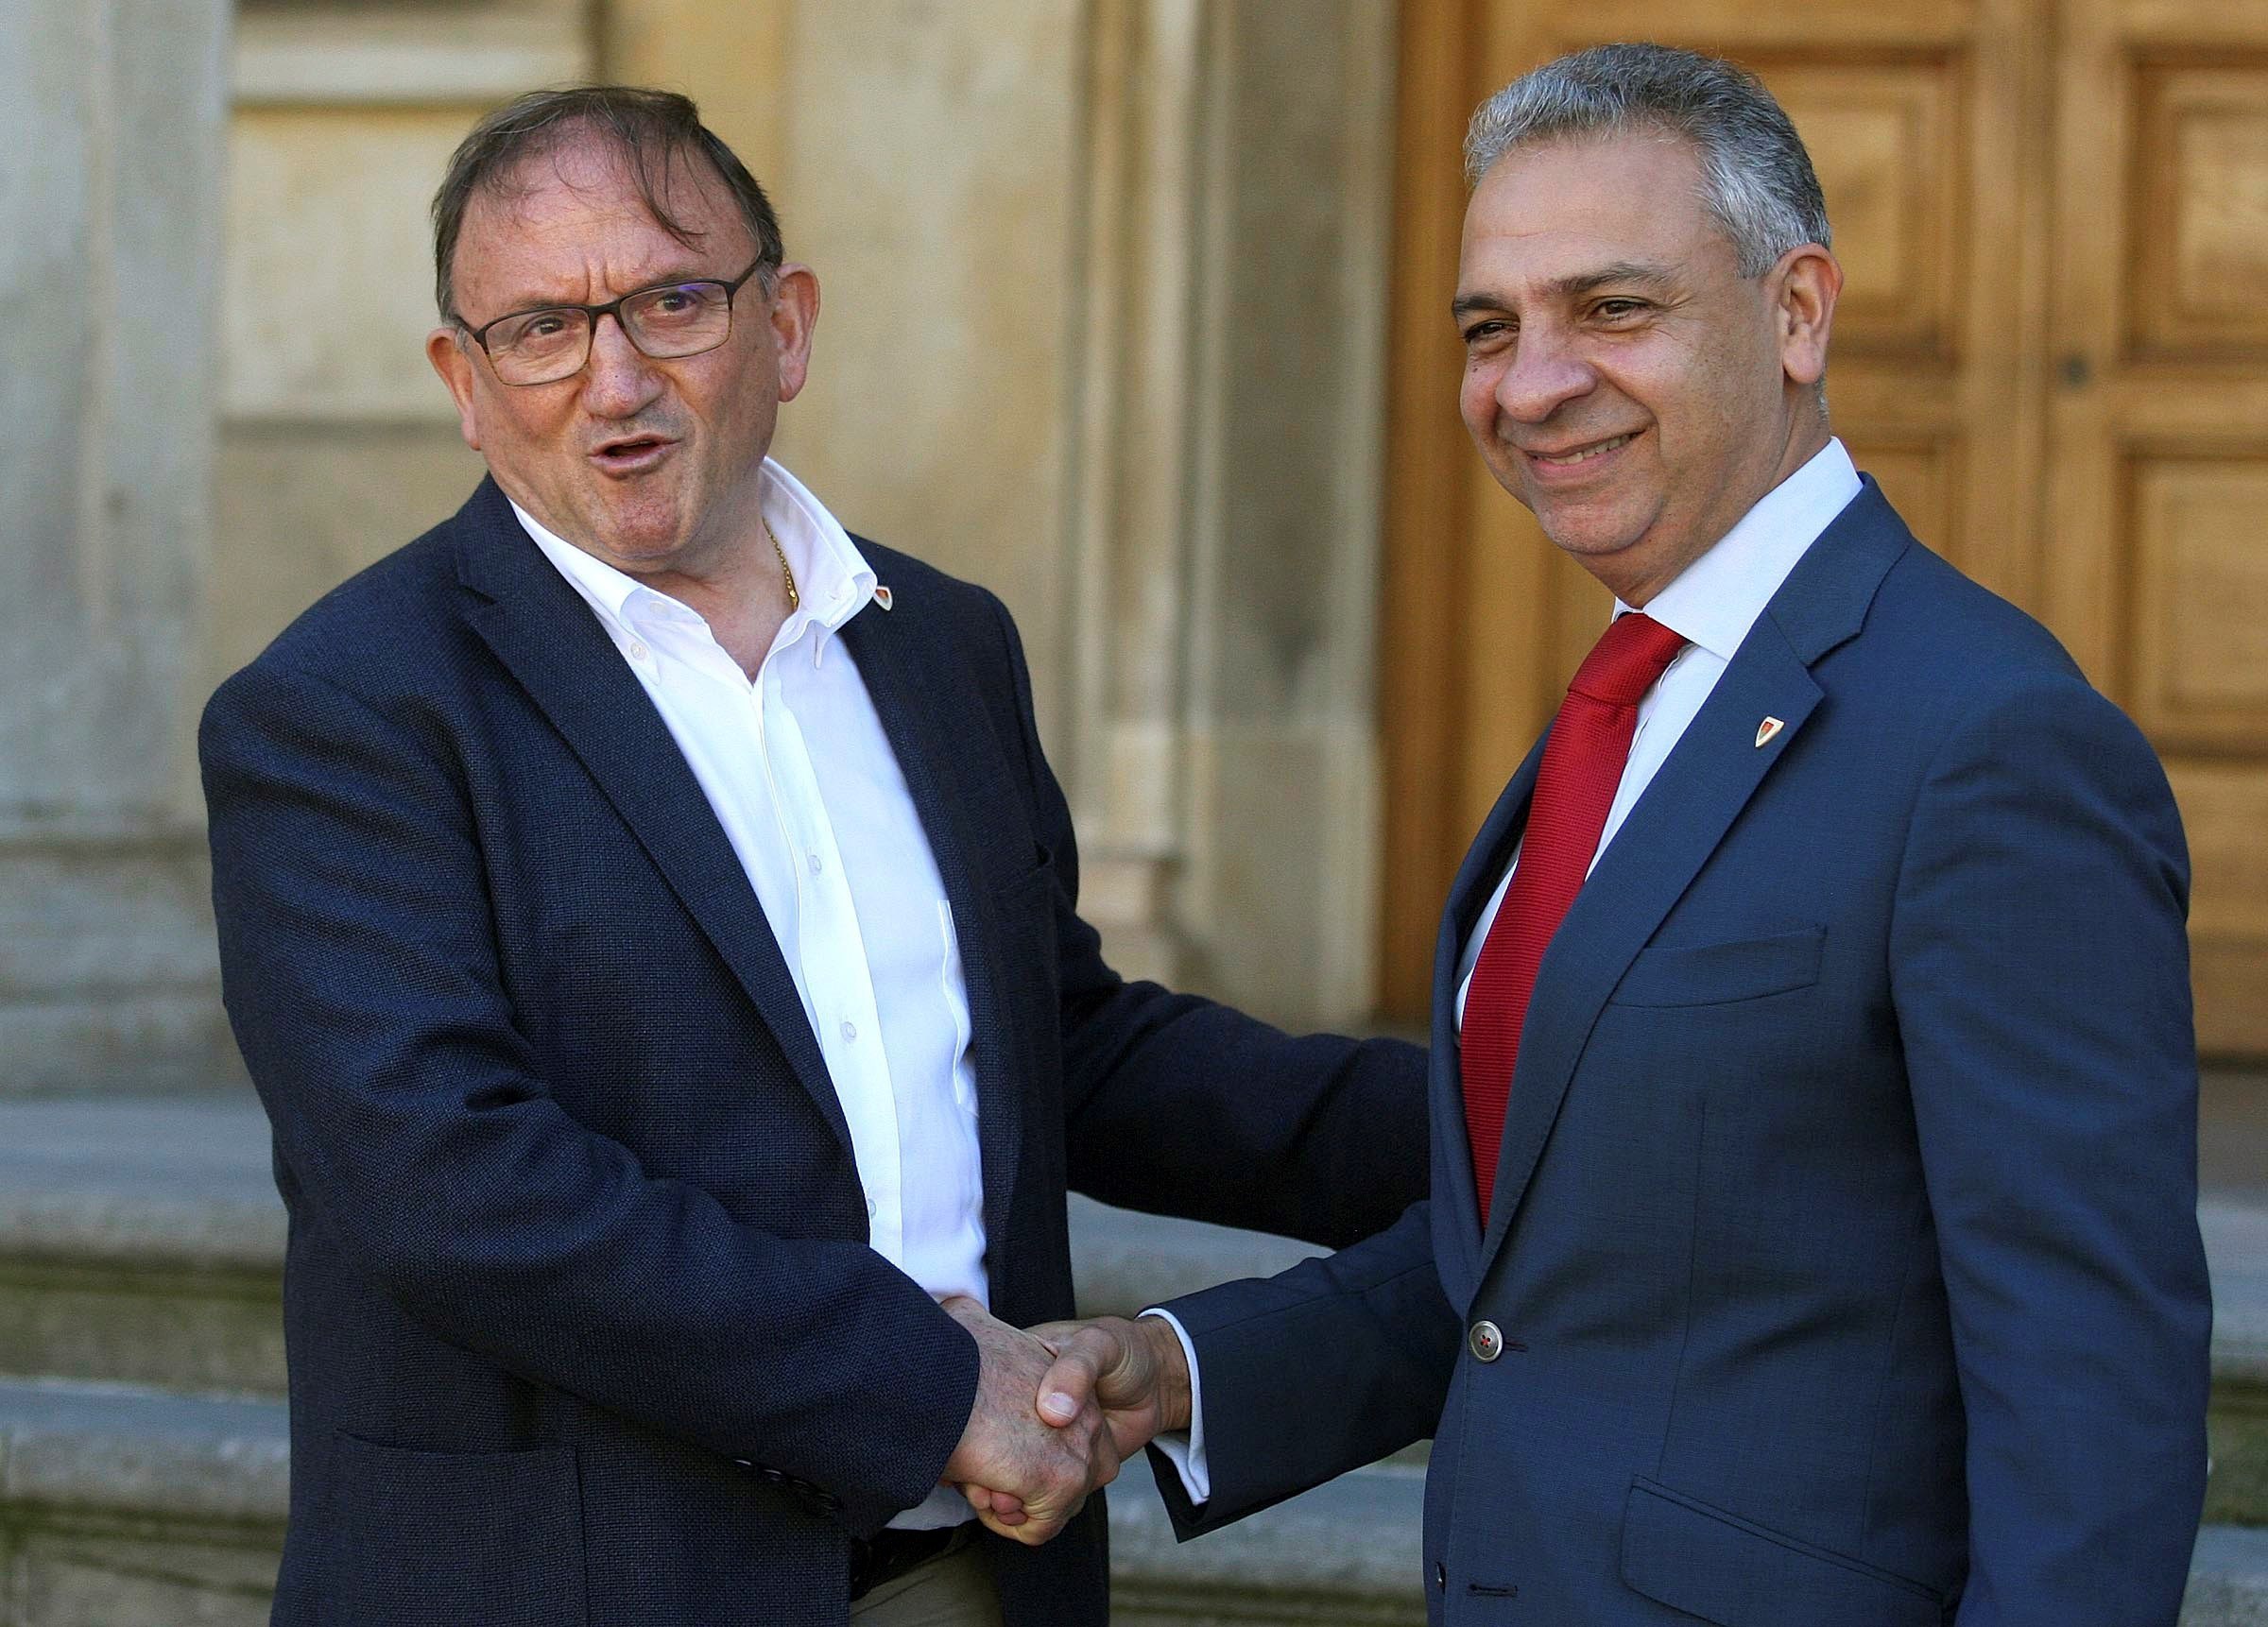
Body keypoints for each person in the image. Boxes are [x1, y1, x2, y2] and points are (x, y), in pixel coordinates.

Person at [198, 86, 1426, 1627]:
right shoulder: (344, 710)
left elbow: (1056, 1049)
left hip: (967, 1576)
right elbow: (456, 1187)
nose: (614, 379)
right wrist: (928, 1387)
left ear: (784, 327)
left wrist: (1494, 1122)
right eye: (541, 330)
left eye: (673, 302)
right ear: (465, 381)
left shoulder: (940, 641)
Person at [1028, 43, 2211, 1626]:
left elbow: (2092, 1399)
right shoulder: (1636, 700)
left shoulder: (1989, 741)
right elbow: (1555, 1254)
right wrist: (1184, 1371)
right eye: (1489, 328)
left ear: (1798, 314)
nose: (1529, 385)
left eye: (1611, 308)